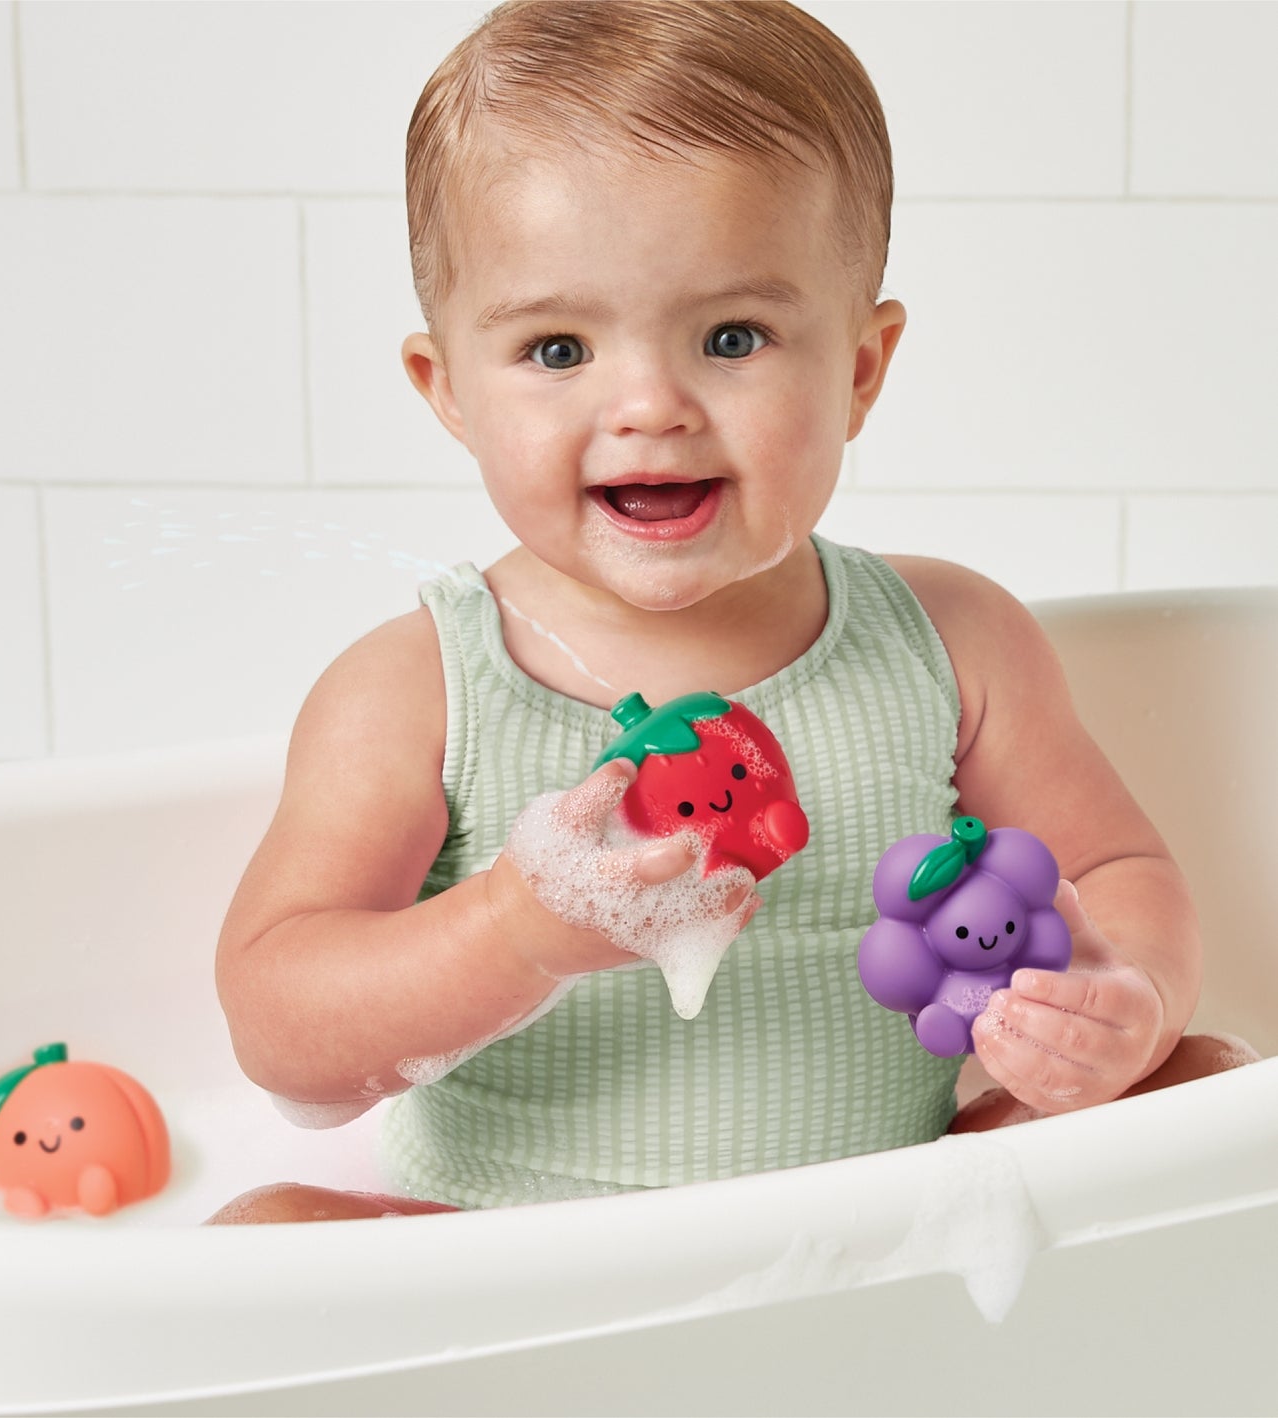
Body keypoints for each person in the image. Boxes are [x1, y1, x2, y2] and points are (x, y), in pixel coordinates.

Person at [209, 0, 1254, 1224]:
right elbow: (280, 1024)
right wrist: (512, 930)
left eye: (730, 335)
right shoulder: (418, 688)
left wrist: (1122, 998)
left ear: (858, 368)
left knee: (1207, 1079)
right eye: (557, 350)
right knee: (263, 1233)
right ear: (446, 390)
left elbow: (1112, 868)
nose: (649, 404)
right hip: (511, 1261)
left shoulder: (952, 640)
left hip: (892, 1225)